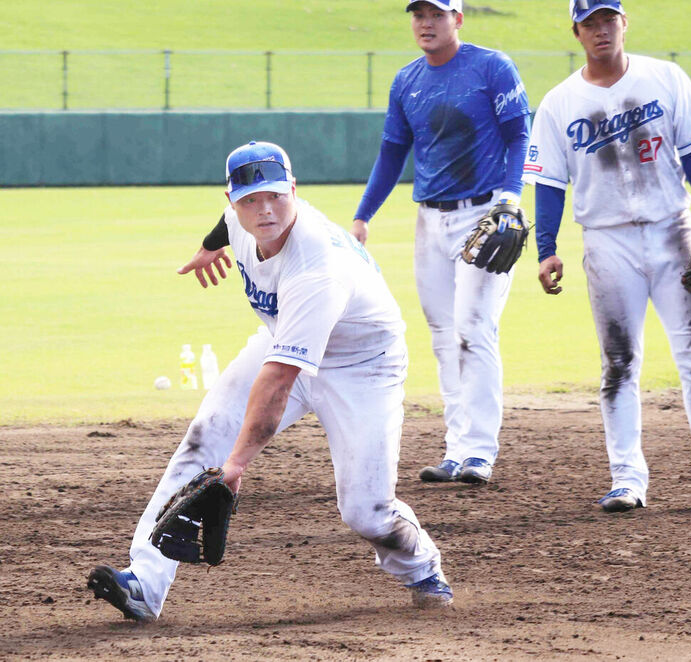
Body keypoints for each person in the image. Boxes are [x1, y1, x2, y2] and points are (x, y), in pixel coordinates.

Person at [87, 141, 453, 622]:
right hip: (286, 339)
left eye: (276, 196)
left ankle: (421, 566)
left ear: (294, 190)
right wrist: (207, 246)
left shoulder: (316, 266)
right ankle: (145, 583)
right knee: (204, 439)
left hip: (363, 366)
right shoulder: (244, 225)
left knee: (365, 510)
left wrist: (236, 465)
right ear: (232, 201)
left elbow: (279, 380)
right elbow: (227, 228)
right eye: (250, 200)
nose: (265, 211)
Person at [524, 0, 691, 512]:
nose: (601, 29)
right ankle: (628, 479)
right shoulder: (560, 103)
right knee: (618, 363)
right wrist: (546, 248)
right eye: (590, 23)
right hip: (606, 242)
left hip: (671, 231)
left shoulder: (665, 78)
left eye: (609, 19)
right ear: (577, 33)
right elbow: (549, 184)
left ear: (624, 23)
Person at [351, 0, 531, 485]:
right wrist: (364, 215)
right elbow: (392, 153)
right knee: (441, 335)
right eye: (418, 15)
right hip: (429, 219)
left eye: (436, 14)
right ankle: (456, 448)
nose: (426, 23)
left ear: (458, 18)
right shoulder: (407, 80)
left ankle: (479, 451)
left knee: (474, 328)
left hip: (485, 214)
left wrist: (510, 198)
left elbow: (519, 132)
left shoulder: (491, 66)